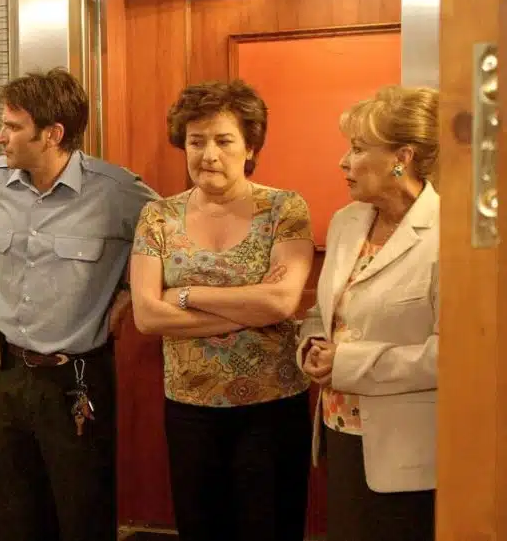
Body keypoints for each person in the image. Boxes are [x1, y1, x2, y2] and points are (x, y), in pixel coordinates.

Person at [0, 68, 158, 541]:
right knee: (14, 516)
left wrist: (127, 300)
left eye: (12, 127)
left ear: (52, 134)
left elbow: (170, 240)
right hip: (5, 373)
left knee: (82, 516)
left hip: (77, 378)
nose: (0, 137)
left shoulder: (117, 192)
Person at [129, 79, 315, 541]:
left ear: (250, 147)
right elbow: (147, 316)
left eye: (223, 141)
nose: (208, 154)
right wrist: (250, 309)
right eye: (196, 141)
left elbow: (282, 301)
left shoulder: (284, 208)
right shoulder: (158, 216)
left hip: (272, 408)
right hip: (190, 410)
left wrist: (185, 294)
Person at [298, 86, 440, 541]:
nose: (344, 162)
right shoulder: (347, 221)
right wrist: (311, 345)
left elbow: (455, 356)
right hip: (339, 433)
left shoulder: (450, 235)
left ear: (403, 157)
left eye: (358, 149)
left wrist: (346, 363)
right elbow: (324, 312)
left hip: (410, 453)